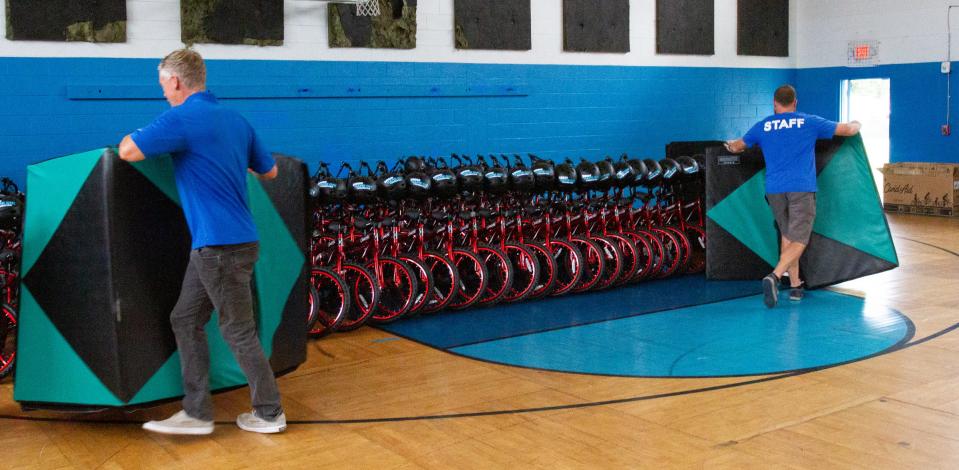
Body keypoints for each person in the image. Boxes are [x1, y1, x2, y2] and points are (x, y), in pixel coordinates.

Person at [118, 48, 285, 435]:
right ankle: (196, 413)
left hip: (220, 248)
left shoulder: (181, 118)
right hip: (229, 243)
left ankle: (269, 412)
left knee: (238, 331)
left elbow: (128, 151)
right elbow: (272, 171)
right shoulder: (235, 120)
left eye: (163, 85)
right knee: (185, 318)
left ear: (175, 81)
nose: (163, 93)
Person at [724, 84, 861, 309]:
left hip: (775, 189)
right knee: (800, 239)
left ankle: (796, 284)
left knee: (787, 235)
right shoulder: (808, 121)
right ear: (795, 102)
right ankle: (775, 276)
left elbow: (738, 146)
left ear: (774, 104)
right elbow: (847, 130)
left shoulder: (763, 125)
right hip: (801, 188)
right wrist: (857, 123)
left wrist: (729, 145)